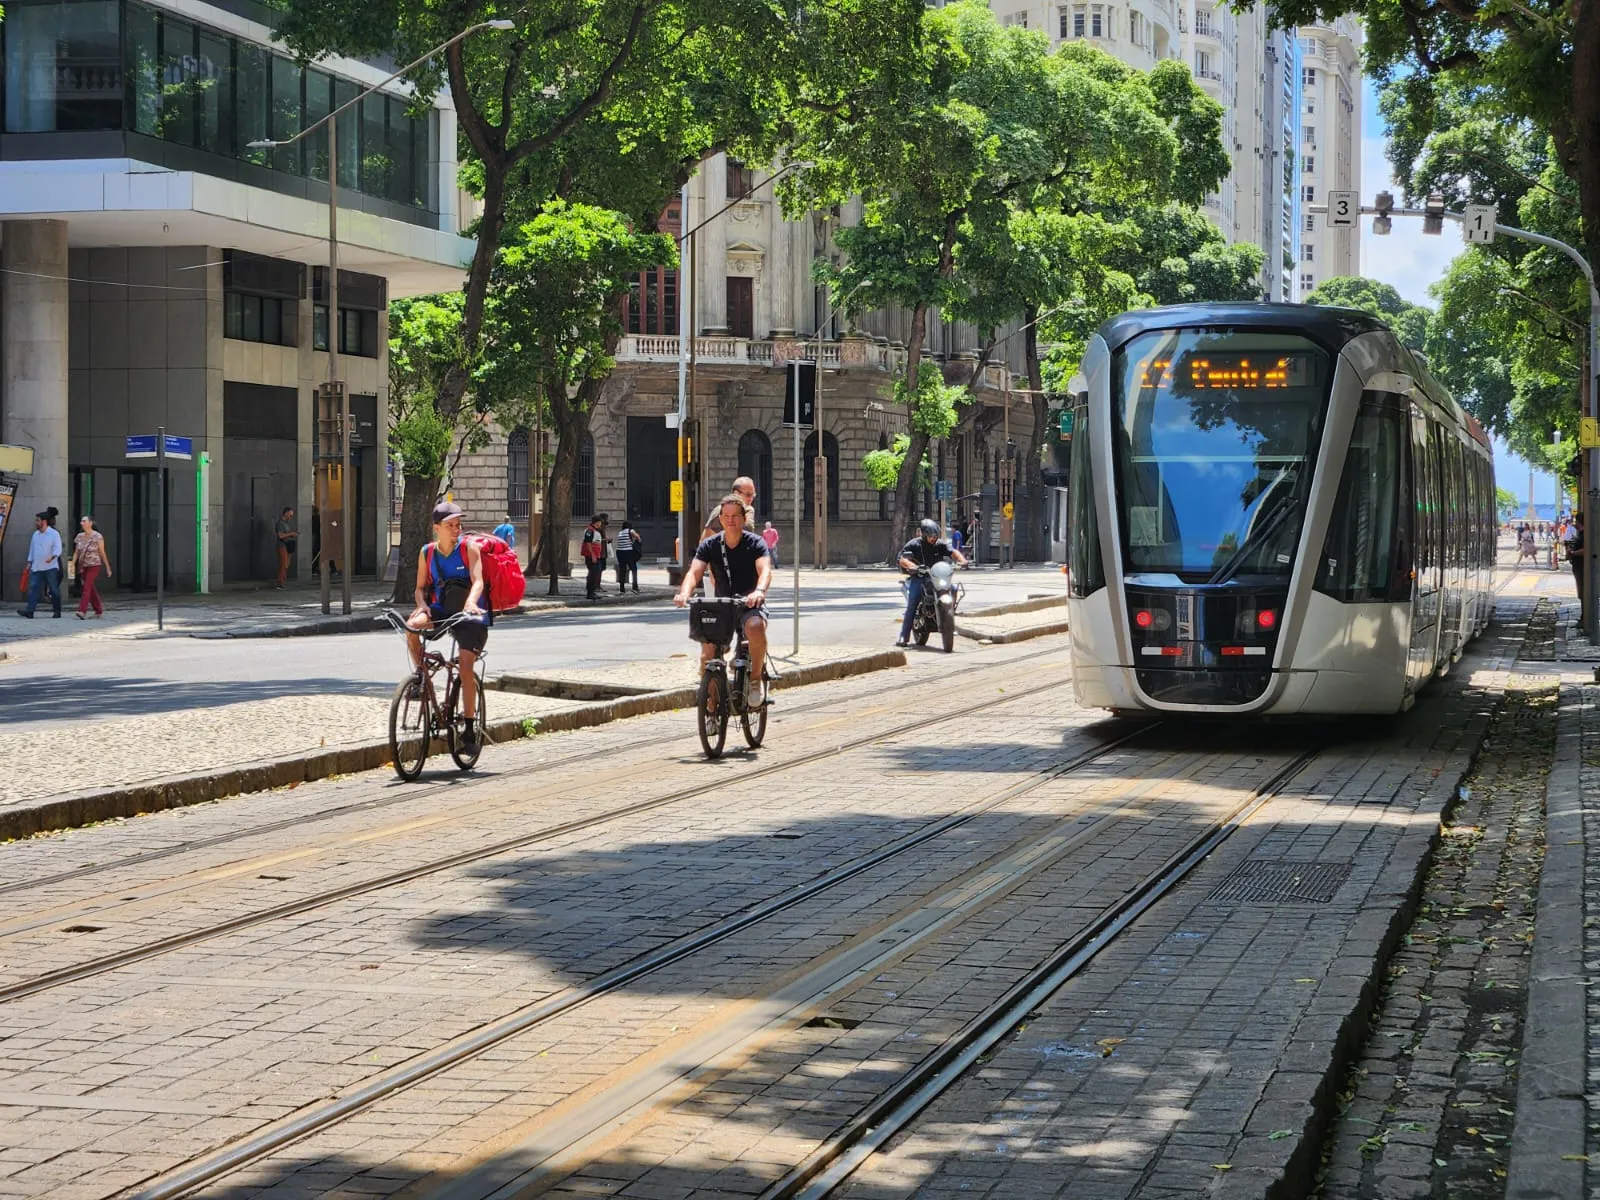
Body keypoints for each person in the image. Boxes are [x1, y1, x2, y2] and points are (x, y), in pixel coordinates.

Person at [674, 495, 774, 709]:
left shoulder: (755, 543)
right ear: (720, 519)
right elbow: (694, 572)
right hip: (722, 606)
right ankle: (710, 706)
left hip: (749, 603)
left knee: (755, 627)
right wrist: (684, 593)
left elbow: (765, 570)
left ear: (743, 518)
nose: (730, 521)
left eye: (735, 516)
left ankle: (755, 679)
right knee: (708, 654)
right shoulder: (711, 545)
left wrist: (759, 591)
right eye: (726, 516)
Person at [405, 501, 489, 743]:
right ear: (436, 528)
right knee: (411, 628)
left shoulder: (470, 548)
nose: (456, 529)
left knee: (464, 667)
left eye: (458, 525)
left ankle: (470, 730)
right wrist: (421, 605)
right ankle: (420, 677)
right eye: (450, 525)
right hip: (441, 610)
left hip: (470, 616)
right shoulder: (426, 552)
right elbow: (420, 588)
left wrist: (472, 603)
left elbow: (478, 581)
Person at [896, 517, 967, 647]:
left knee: (954, 588)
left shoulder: (940, 544)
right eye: (930, 536)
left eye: (935, 536)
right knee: (913, 603)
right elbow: (902, 559)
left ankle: (949, 617)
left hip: (937, 577)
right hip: (920, 578)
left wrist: (962, 561)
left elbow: (953, 552)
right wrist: (913, 567)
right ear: (923, 535)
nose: (933, 539)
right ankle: (903, 636)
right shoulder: (914, 544)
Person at [17, 509, 63, 619]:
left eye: (38, 520)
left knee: (54, 590)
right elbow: (32, 549)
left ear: (44, 521)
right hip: (36, 567)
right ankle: (30, 611)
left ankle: (57, 611)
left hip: (50, 567)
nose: (36, 523)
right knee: (33, 589)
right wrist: (29, 562)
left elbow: (58, 548)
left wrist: (52, 557)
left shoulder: (54, 534)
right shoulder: (35, 534)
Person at [73, 515, 112, 619]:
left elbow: (102, 552)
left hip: (94, 565)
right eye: (81, 521)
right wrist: (73, 563)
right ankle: (98, 610)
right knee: (90, 588)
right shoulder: (79, 536)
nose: (82, 523)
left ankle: (82, 610)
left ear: (90, 523)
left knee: (86, 587)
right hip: (83, 565)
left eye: (84, 521)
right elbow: (77, 552)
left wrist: (107, 567)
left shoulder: (97, 536)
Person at [701, 475, 759, 541]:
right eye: (748, 495)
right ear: (736, 493)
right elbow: (705, 540)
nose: (751, 499)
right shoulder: (721, 510)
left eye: (753, 495)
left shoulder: (749, 510)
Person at [582, 513, 608, 599]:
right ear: (596, 522)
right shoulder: (589, 531)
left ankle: (592, 591)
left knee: (596, 573)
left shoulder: (596, 531)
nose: (601, 524)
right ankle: (590, 592)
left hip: (597, 556)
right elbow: (588, 543)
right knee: (592, 573)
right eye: (600, 522)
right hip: (591, 556)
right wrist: (592, 555)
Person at [614, 519, 641, 593]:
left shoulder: (620, 532)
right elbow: (638, 537)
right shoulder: (630, 531)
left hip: (619, 552)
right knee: (633, 569)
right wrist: (636, 541)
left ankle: (622, 588)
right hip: (628, 552)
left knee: (622, 570)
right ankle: (635, 587)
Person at [274, 506, 297, 588]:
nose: (291, 517)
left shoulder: (286, 524)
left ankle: (282, 580)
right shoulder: (280, 523)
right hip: (282, 546)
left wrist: (291, 535)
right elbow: (280, 535)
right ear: (286, 513)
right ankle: (280, 582)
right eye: (290, 515)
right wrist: (291, 534)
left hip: (287, 546)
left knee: (286, 564)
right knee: (283, 564)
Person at [1566, 513, 1586, 602]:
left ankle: (1585, 612)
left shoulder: (1585, 535)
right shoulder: (1580, 534)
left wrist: (1573, 553)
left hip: (1582, 566)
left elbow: (1586, 550)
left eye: (1575, 521)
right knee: (1581, 591)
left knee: (1583, 590)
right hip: (1577, 566)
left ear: (1578, 522)